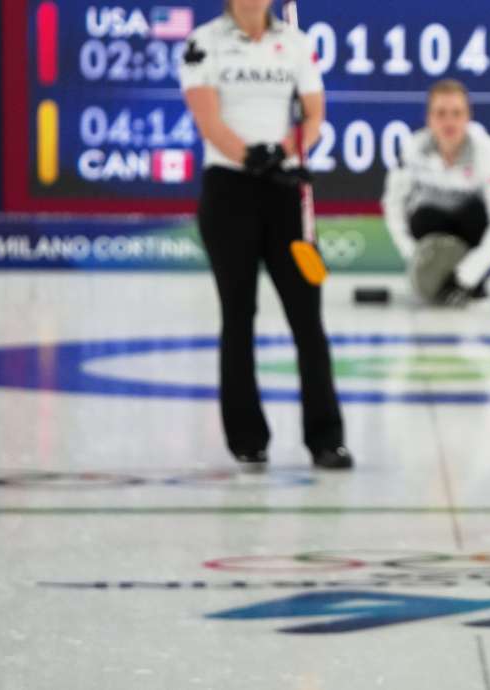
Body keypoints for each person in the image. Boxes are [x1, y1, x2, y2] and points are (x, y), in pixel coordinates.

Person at [179, 0, 352, 471]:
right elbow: (208, 119)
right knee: (239, 315)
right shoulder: (203, 43)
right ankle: (247, 439)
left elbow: (315, 114)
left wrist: (284, 151)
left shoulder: (296, 43)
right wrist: (250, 155)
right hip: (230, 191)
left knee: (307, 320)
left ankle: (326, 438)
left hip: (285, 191)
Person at [382, 79, 490, 307]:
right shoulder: (412, 151)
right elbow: (393, 207)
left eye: (456, 113)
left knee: (475, 215)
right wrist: (414, 257)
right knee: (423, 215)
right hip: (431, 230)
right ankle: (433, 281)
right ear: (429, 118)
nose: (449, 121)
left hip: (471, 231)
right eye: (441, 113)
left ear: (467, 117)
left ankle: (471, 285)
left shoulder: (488, 155)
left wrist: (466, 275)